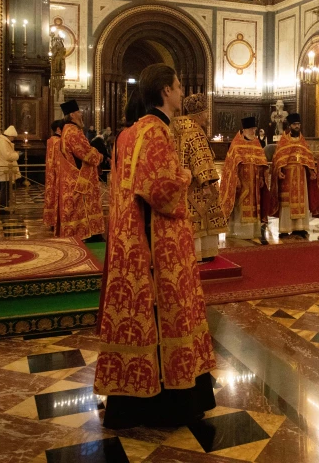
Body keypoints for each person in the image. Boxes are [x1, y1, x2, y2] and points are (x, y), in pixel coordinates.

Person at [95, 64, 216, 429]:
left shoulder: (128, 134)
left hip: (130, 243)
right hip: (158, 245)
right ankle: (171, 403)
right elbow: (161, 191)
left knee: (141, 319)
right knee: (167, 314)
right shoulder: (157, 132)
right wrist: (188, 174)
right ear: (165, 91)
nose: (182, 93)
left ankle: (132, 401)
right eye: (179, 87)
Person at [172, 93, 227, 262]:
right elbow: (200, 158)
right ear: (200, 114)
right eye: (206, 114)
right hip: (197, 185)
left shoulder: (175, 126)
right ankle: (203, 252)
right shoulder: (195, 130)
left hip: (180, 181)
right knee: (202, 216)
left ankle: (187, 251)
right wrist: (207, 184)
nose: (207, 117)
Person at [56, 100, 105, 240]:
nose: (81, 114)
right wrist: (100, 156)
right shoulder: (73, 132)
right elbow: (87, 153)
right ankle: (88, 234)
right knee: (83, 207)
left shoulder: (66, 131)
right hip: (81, 178)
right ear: (72, 115)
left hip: (75, 177)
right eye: (78, 112)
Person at [219, 116, 270, 242]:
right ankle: (239, 231)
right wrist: (235, 179)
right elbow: (230, 166)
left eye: (254, 129)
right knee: (240, 207)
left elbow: (262, 162)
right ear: (244, 129)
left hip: (255, 181)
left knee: (254, 206)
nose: (253, 131)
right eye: (251, 129)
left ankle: (253, 231)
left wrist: (263, 176)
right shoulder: (236, 144)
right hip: (242, 182)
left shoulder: (257, 143)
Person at [269, 113, 318, 239]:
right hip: (288, 176)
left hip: (301, 174)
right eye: (295, 124)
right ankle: (285, 228)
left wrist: (311, 170)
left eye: (299, 124)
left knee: (301, 202)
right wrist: (279, 170)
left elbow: (308, 157)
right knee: (287, 203)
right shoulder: (284, 141)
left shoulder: (302, 141)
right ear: (290, 126)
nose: (297, 127)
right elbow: (278, 157)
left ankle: (300, 228)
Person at [42, 120, 65, 229]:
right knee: (58, 196)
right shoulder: (59, 141)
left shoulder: (50, 140)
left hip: (51, 172)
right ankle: (57, 221)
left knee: (52, 195)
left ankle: (52, 221)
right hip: (59, 172)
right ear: (59, 129)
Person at [0, 125, 21, 209]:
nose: (13, 139)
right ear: (9, 135)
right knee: (5, 189)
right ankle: (3, 207)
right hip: (6, 169)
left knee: (7, 189)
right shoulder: (3, 142)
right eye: (13, 137)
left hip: (7, 169)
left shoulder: (4, 141)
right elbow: (7, 156)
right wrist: (17, 154)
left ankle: (6, 206)